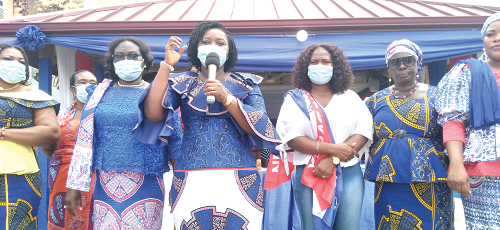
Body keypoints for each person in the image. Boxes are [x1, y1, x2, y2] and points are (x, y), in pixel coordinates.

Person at [133, 21, 281, 230]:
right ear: (195, 48)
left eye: (220, 43)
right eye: (206, 42)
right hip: (190, 176)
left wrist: (226, 97)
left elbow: (259, 125)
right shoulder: (181, 82)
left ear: (229, 52)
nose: (213, 47)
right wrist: (166, 66)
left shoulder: (247, 83)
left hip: (240, 177)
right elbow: (152, 113)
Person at [64, 37, 182, 230]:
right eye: (119, 56)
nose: (126, 59)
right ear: (112, 61)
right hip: (106, 183)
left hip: (148, 182)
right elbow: (85, 140)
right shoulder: (98, 94)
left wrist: (178, 185)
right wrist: (73, 185)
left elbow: (175, 141)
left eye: (133, 55)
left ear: (144, 60)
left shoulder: (159, 94)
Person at [275, 43, 373, 230]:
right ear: (306, 67)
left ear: (335, 66)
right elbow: (292, 137)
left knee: (348, 226)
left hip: (349, 172)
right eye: (314, 62)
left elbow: (363, 131)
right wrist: (334, 150)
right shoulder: (294, 100)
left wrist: (332, 159)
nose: (320, 65)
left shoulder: (350, 98)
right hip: (310, 173)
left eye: (325, 62)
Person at [365, 39, 453, 229]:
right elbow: (360, 134)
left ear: (418, 64)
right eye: (395, 62)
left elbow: (452, 132)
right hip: (389, 181)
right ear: (389, 69)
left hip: (431, 179)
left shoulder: (438, 96)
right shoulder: (374, 101)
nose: (402, 65)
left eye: (408, 60)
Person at [436, 12, 500, 229]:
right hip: (484, 173)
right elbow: (453, 120)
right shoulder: (466, 72)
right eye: (491, 34)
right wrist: (456, 164)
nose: (497, 38)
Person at [0, 44, 60, 229]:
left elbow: (51, 132)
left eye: (21, 62)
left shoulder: (34, 96)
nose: (15, 64)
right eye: (8, 59)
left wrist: (3, 133)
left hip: (18, 175)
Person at [43, 70, 97, 230]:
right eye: (82, 82)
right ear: (72, 89)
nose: (88, 86)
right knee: (64, 214)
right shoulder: (61, 117)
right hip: (62, 175)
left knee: (93, 216)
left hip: (94, 175)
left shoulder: (103, 115)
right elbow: (49, 147)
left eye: (92, 83)